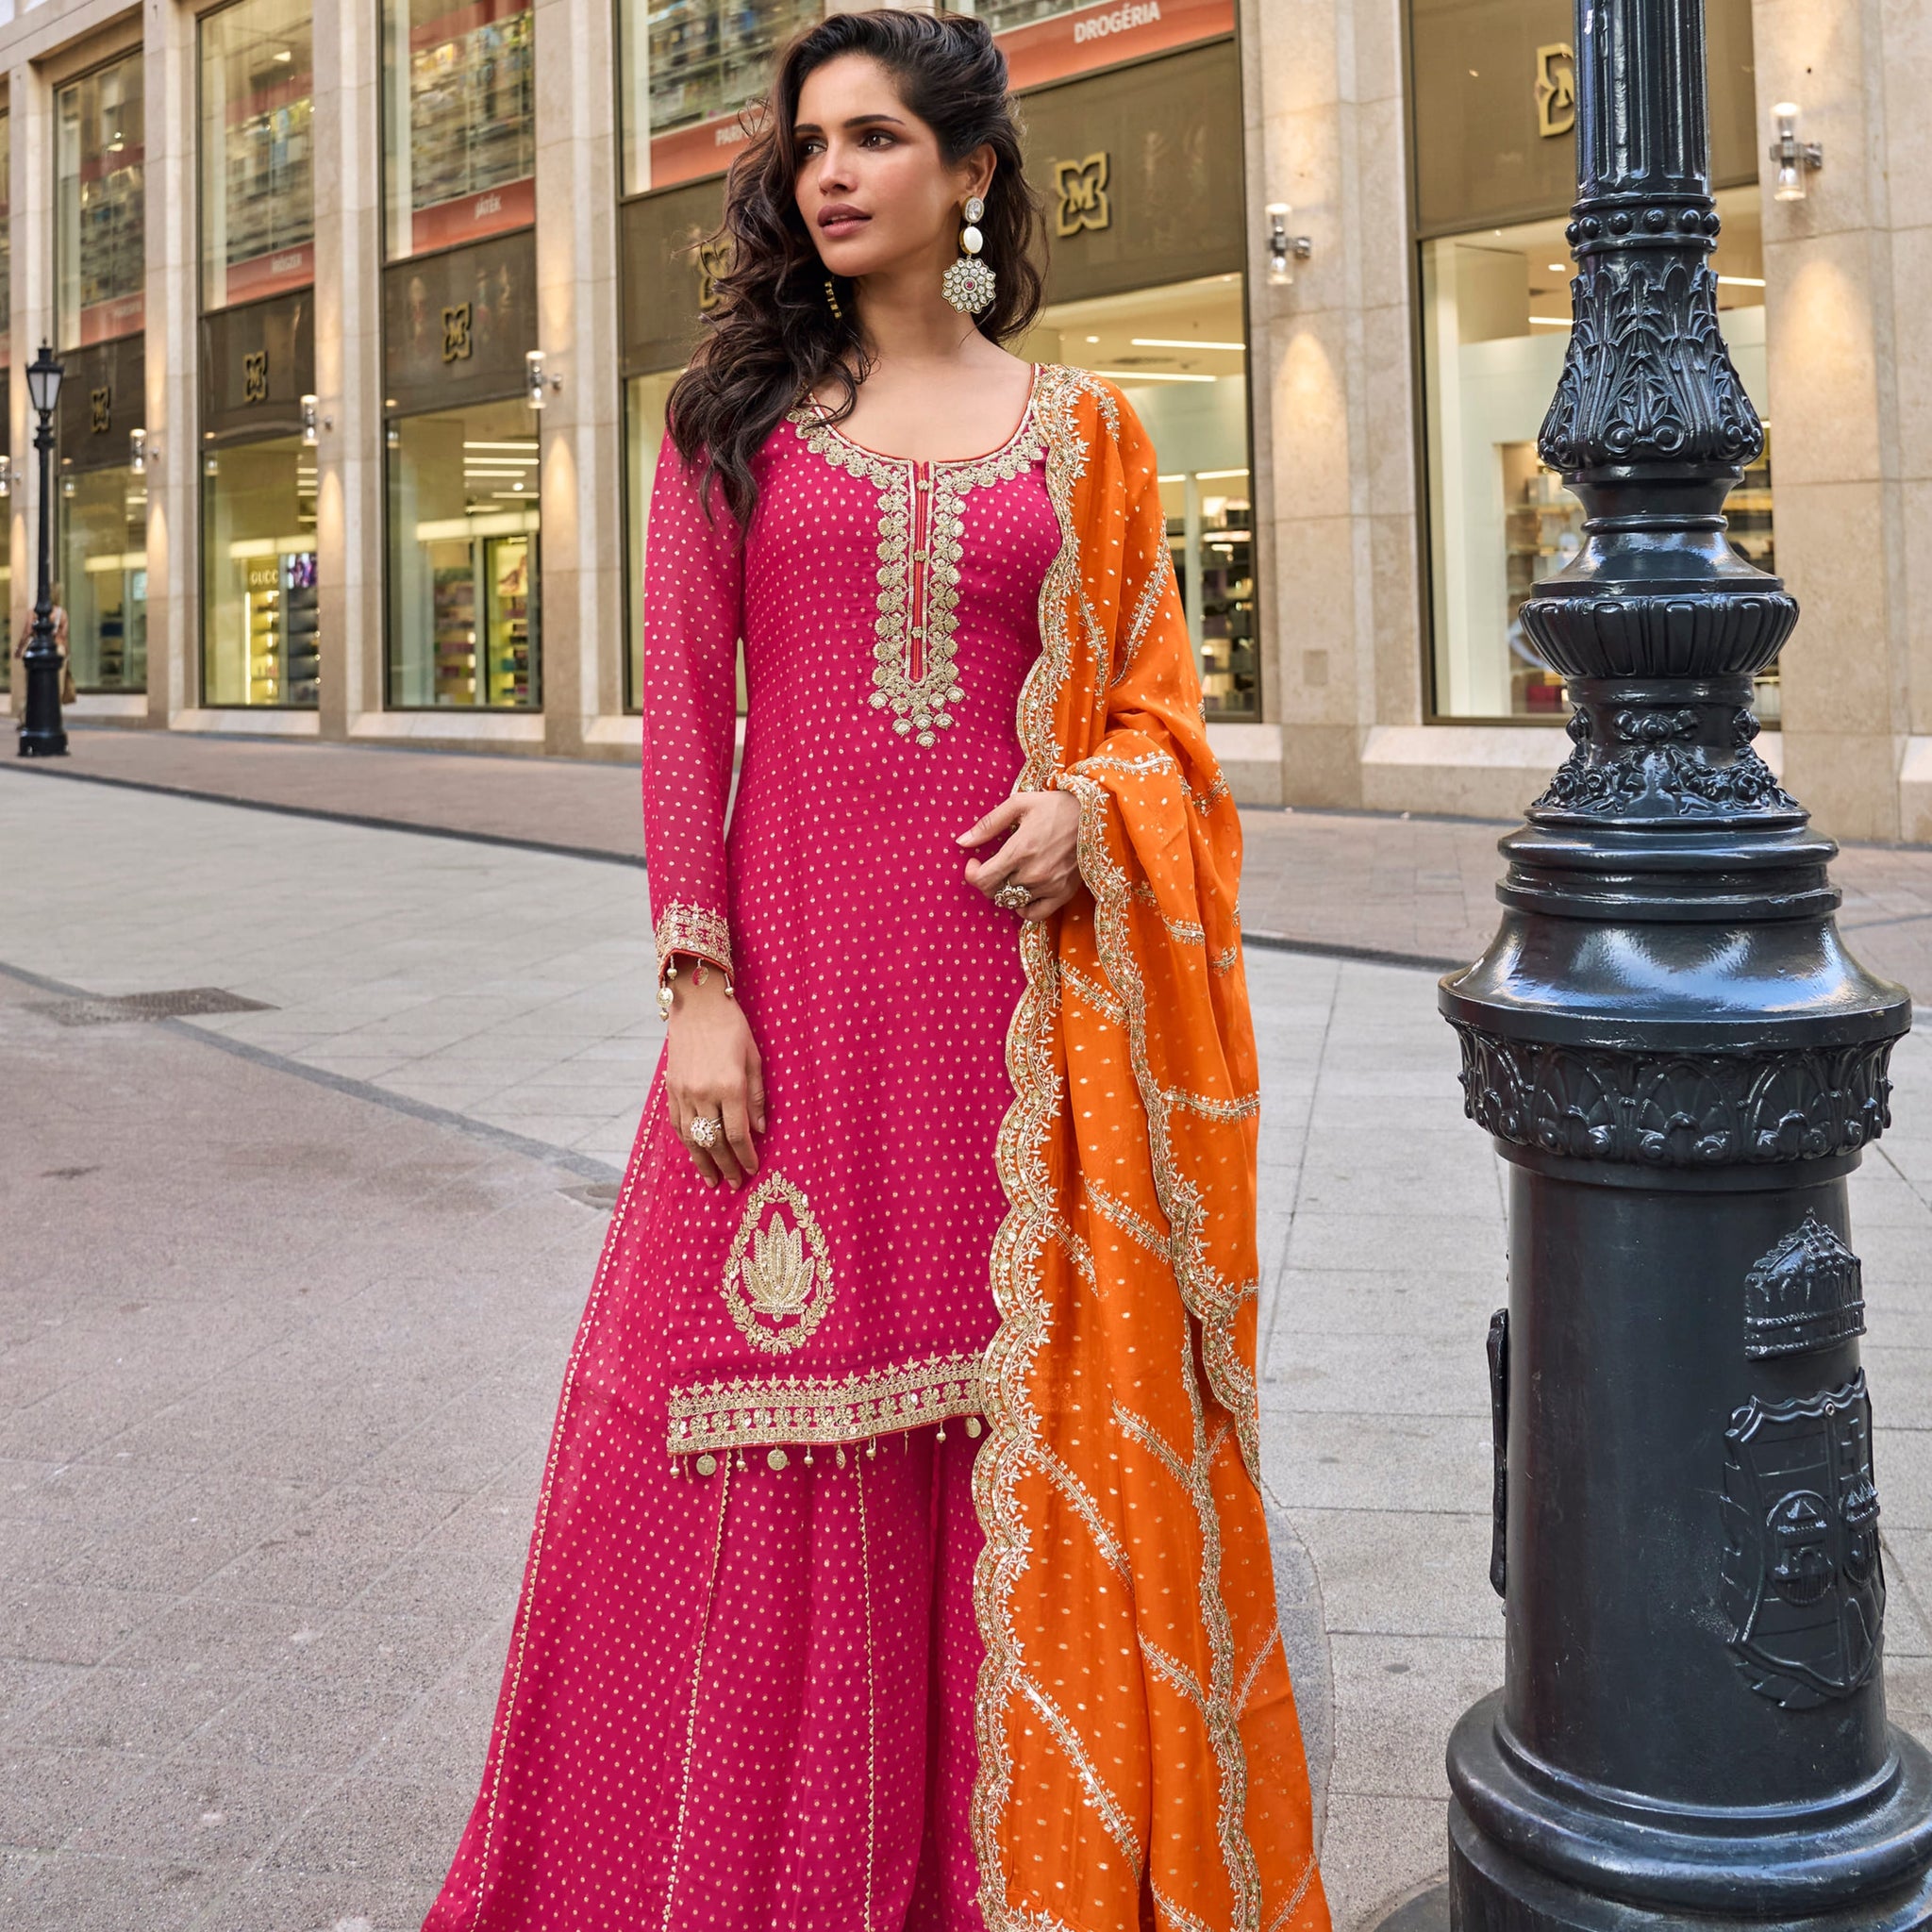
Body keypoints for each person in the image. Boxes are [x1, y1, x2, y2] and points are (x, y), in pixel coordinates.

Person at [423, 11, 1327, 1930]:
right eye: (810, 141)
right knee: (719, 1419)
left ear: (973, 172)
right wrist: (697, 987)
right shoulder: (731, 421)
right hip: (801, 1015)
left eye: (876, 139)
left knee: (986, 1436)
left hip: (1020, 1052)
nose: (829, 172)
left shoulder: (1085, 437)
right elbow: (686, 727)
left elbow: (1162, 717)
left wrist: (1096, 810)